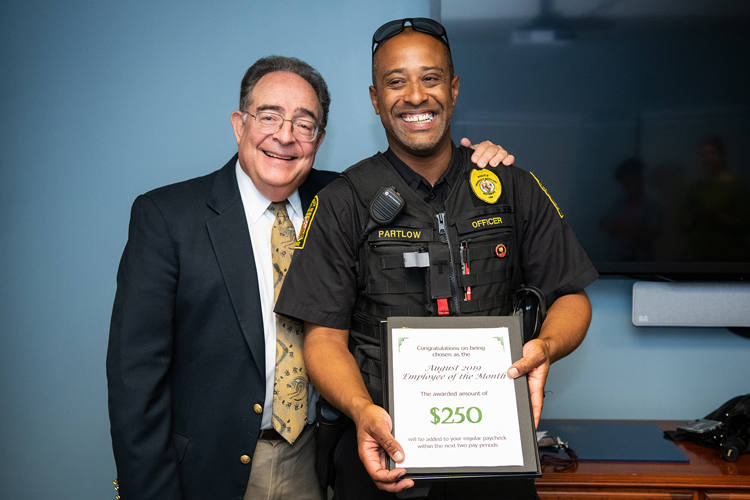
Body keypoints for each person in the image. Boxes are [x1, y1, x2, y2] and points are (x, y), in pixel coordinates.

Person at [106, 54, 514, 500]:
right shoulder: (167, 217)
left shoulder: (349, 201)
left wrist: (473, 164)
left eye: (305, 124)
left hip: (318, 463)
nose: (285, 136)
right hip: (210, 470)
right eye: (269, 116)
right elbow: (135, 379)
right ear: (239, 124)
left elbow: (432, 186)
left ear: (319, 139)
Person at [275, 18, 598, 500]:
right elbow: (322, 339)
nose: (415, 96)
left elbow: (572, 296)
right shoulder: (343, 201)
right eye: (395, 81)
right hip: (379, 460)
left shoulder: (512, 186)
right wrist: (363, 411)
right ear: (374, 98)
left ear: (453, 88)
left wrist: (546, 347)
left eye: (430, 78)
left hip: (494, 461)